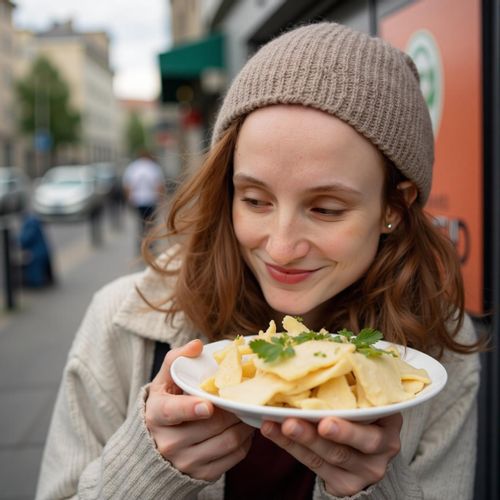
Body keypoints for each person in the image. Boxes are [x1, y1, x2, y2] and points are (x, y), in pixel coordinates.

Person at [36, 22, 484, 500]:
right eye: (255, 200)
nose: (281, 246)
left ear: (392, 208)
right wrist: (146, 471)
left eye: (326, 209)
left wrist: (377, 487)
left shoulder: (440, 354)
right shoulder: (123, 323)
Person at [122, 149, 165, 247]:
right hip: (151, 199)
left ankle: (141, 244)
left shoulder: (133, 167)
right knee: (150, 223)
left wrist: (129, 198)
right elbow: (159, 185)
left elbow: (127, 185)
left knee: (140, 223)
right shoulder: (154, 167)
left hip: (138, 200)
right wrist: (161, 199)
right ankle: (150, 244)